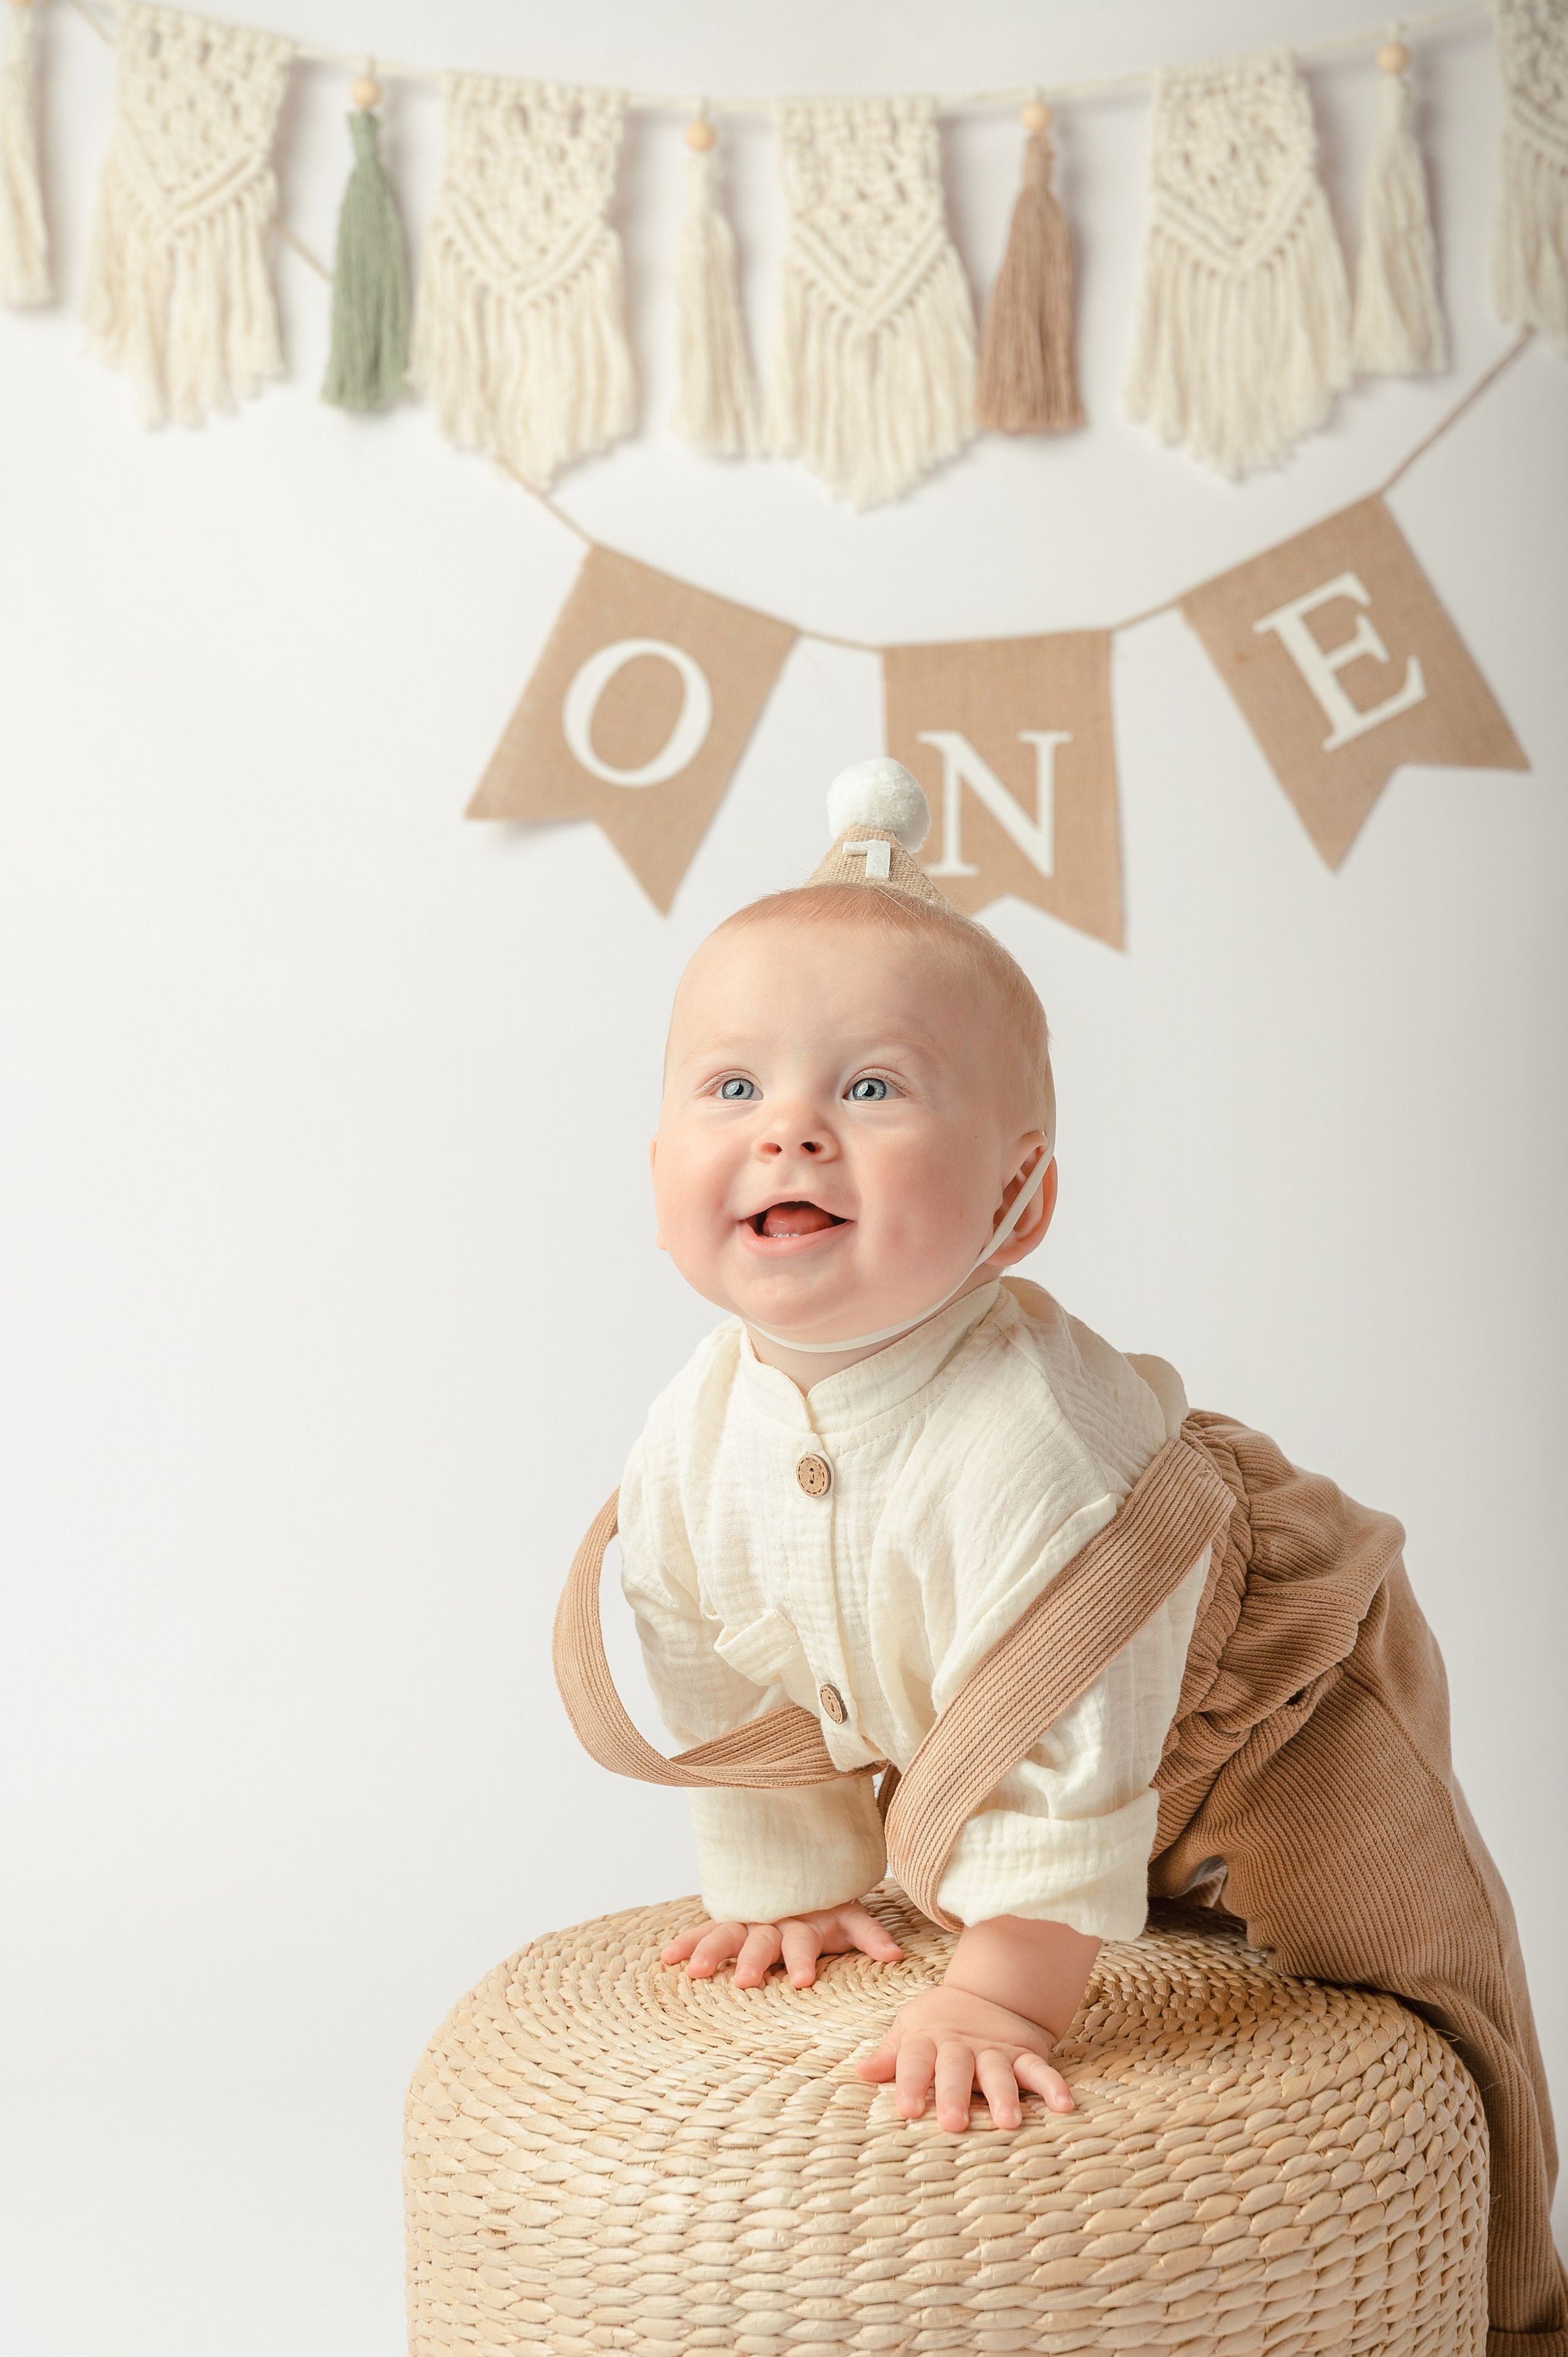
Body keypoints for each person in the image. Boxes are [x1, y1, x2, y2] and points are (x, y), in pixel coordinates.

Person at [559, 761, 1565, 2353]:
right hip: (1002, 1732)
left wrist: (1006, 1991)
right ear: (656, 1169)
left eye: (873, 1090)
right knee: (993, 1833)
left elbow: (1071, 1716)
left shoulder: (1037, 1451)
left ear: (1017, 1200)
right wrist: (797, 1877)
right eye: (731, 1088)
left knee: (1423, 1973)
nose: (793, 1131)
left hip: (1275, 1712)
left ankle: (1518, 2299)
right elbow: (716, 1662)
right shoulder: (691, 1438)